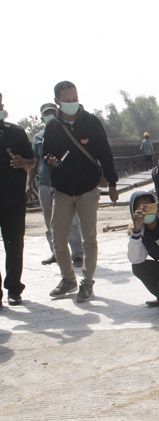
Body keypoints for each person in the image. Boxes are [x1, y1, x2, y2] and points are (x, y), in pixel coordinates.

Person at [42, 81, 119, 302]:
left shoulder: (91, 122)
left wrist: (112, 184)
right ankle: (68, 279)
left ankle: (87, 282)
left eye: (74, 98)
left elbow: (105, 153)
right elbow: (46, 153)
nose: (72, 103)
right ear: (57, 101)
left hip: (88, 189)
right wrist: (51, 160)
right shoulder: (52, 127)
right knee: (58, 238)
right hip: (63, 190)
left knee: (89, 240)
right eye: (67, 100)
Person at [28, 103, 84, 268]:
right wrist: (28, 183)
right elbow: (34, 162)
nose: (49, 116)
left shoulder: (66, 132)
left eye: (52, 112)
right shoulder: (38, 137)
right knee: (49, 221)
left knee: (72, 220)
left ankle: (78, 254)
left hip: (65, 183)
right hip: (45, 183)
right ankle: (56, 252)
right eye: (46, 114)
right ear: (41, 117)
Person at [0, 92, 35, 307]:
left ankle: (13, 288)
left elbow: (32, 162)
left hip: (13, 197)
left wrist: (23, 163)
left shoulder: (16, 132)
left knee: (14, 244)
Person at [127, 191, 159, 309]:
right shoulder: (140, 232)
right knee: (138, 267)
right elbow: (136, 259)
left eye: (148, 205)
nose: (146, 210)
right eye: (140, 208)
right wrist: (136, 231)